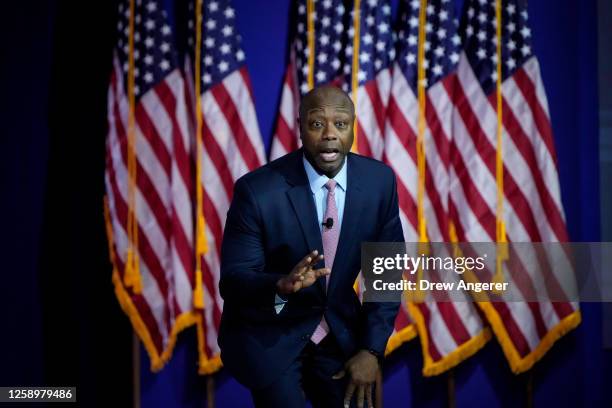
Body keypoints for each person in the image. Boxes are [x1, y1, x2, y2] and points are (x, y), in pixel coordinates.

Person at [218, 85, 403, 407]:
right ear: (301, 127)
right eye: (317, 124)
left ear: (353, 127)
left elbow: (385, 276)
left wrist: (370, 349)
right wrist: (280, 284)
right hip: (272, 333)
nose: (330, 134)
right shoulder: (258, 190)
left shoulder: (379, 182)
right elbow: (234, 279)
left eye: (341, 124)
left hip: (341, 334)